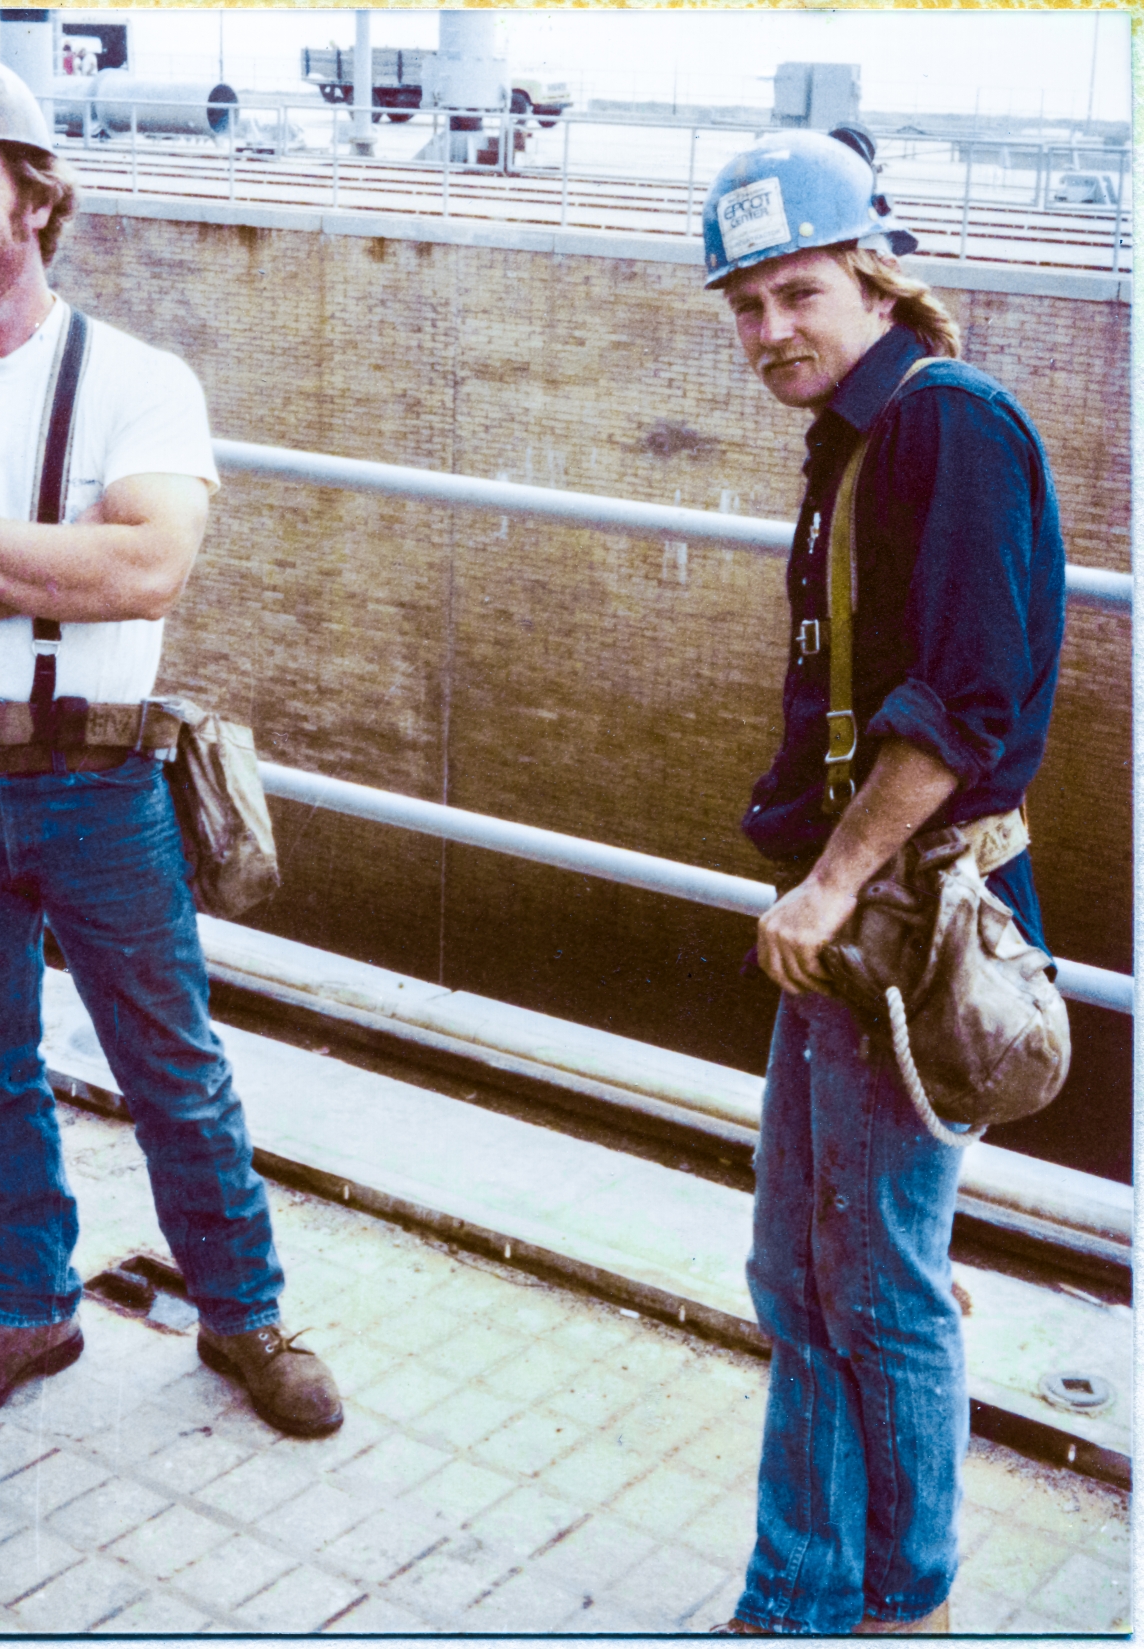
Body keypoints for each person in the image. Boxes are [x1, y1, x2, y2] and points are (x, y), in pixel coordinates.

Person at [701, 130, 1066, 1635]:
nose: (769, 329)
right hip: (863, 919)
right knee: (800, 1267)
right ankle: (808, 1580)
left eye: (796, 292)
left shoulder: (949, 428)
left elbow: (969, 701)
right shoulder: (862, 433)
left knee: (880, 1285)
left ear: (871, 271)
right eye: (744, 303)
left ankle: (882, 1599)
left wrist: (830, 883)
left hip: (903, 920)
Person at [0, 54, 342, 1441]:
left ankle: (242, 1314)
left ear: (37, 200)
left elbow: (151, 567)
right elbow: (103, 557)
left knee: (172, 1063)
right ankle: (26, 1308)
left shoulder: (137, 377)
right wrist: (68, 554)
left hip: (102, 776)